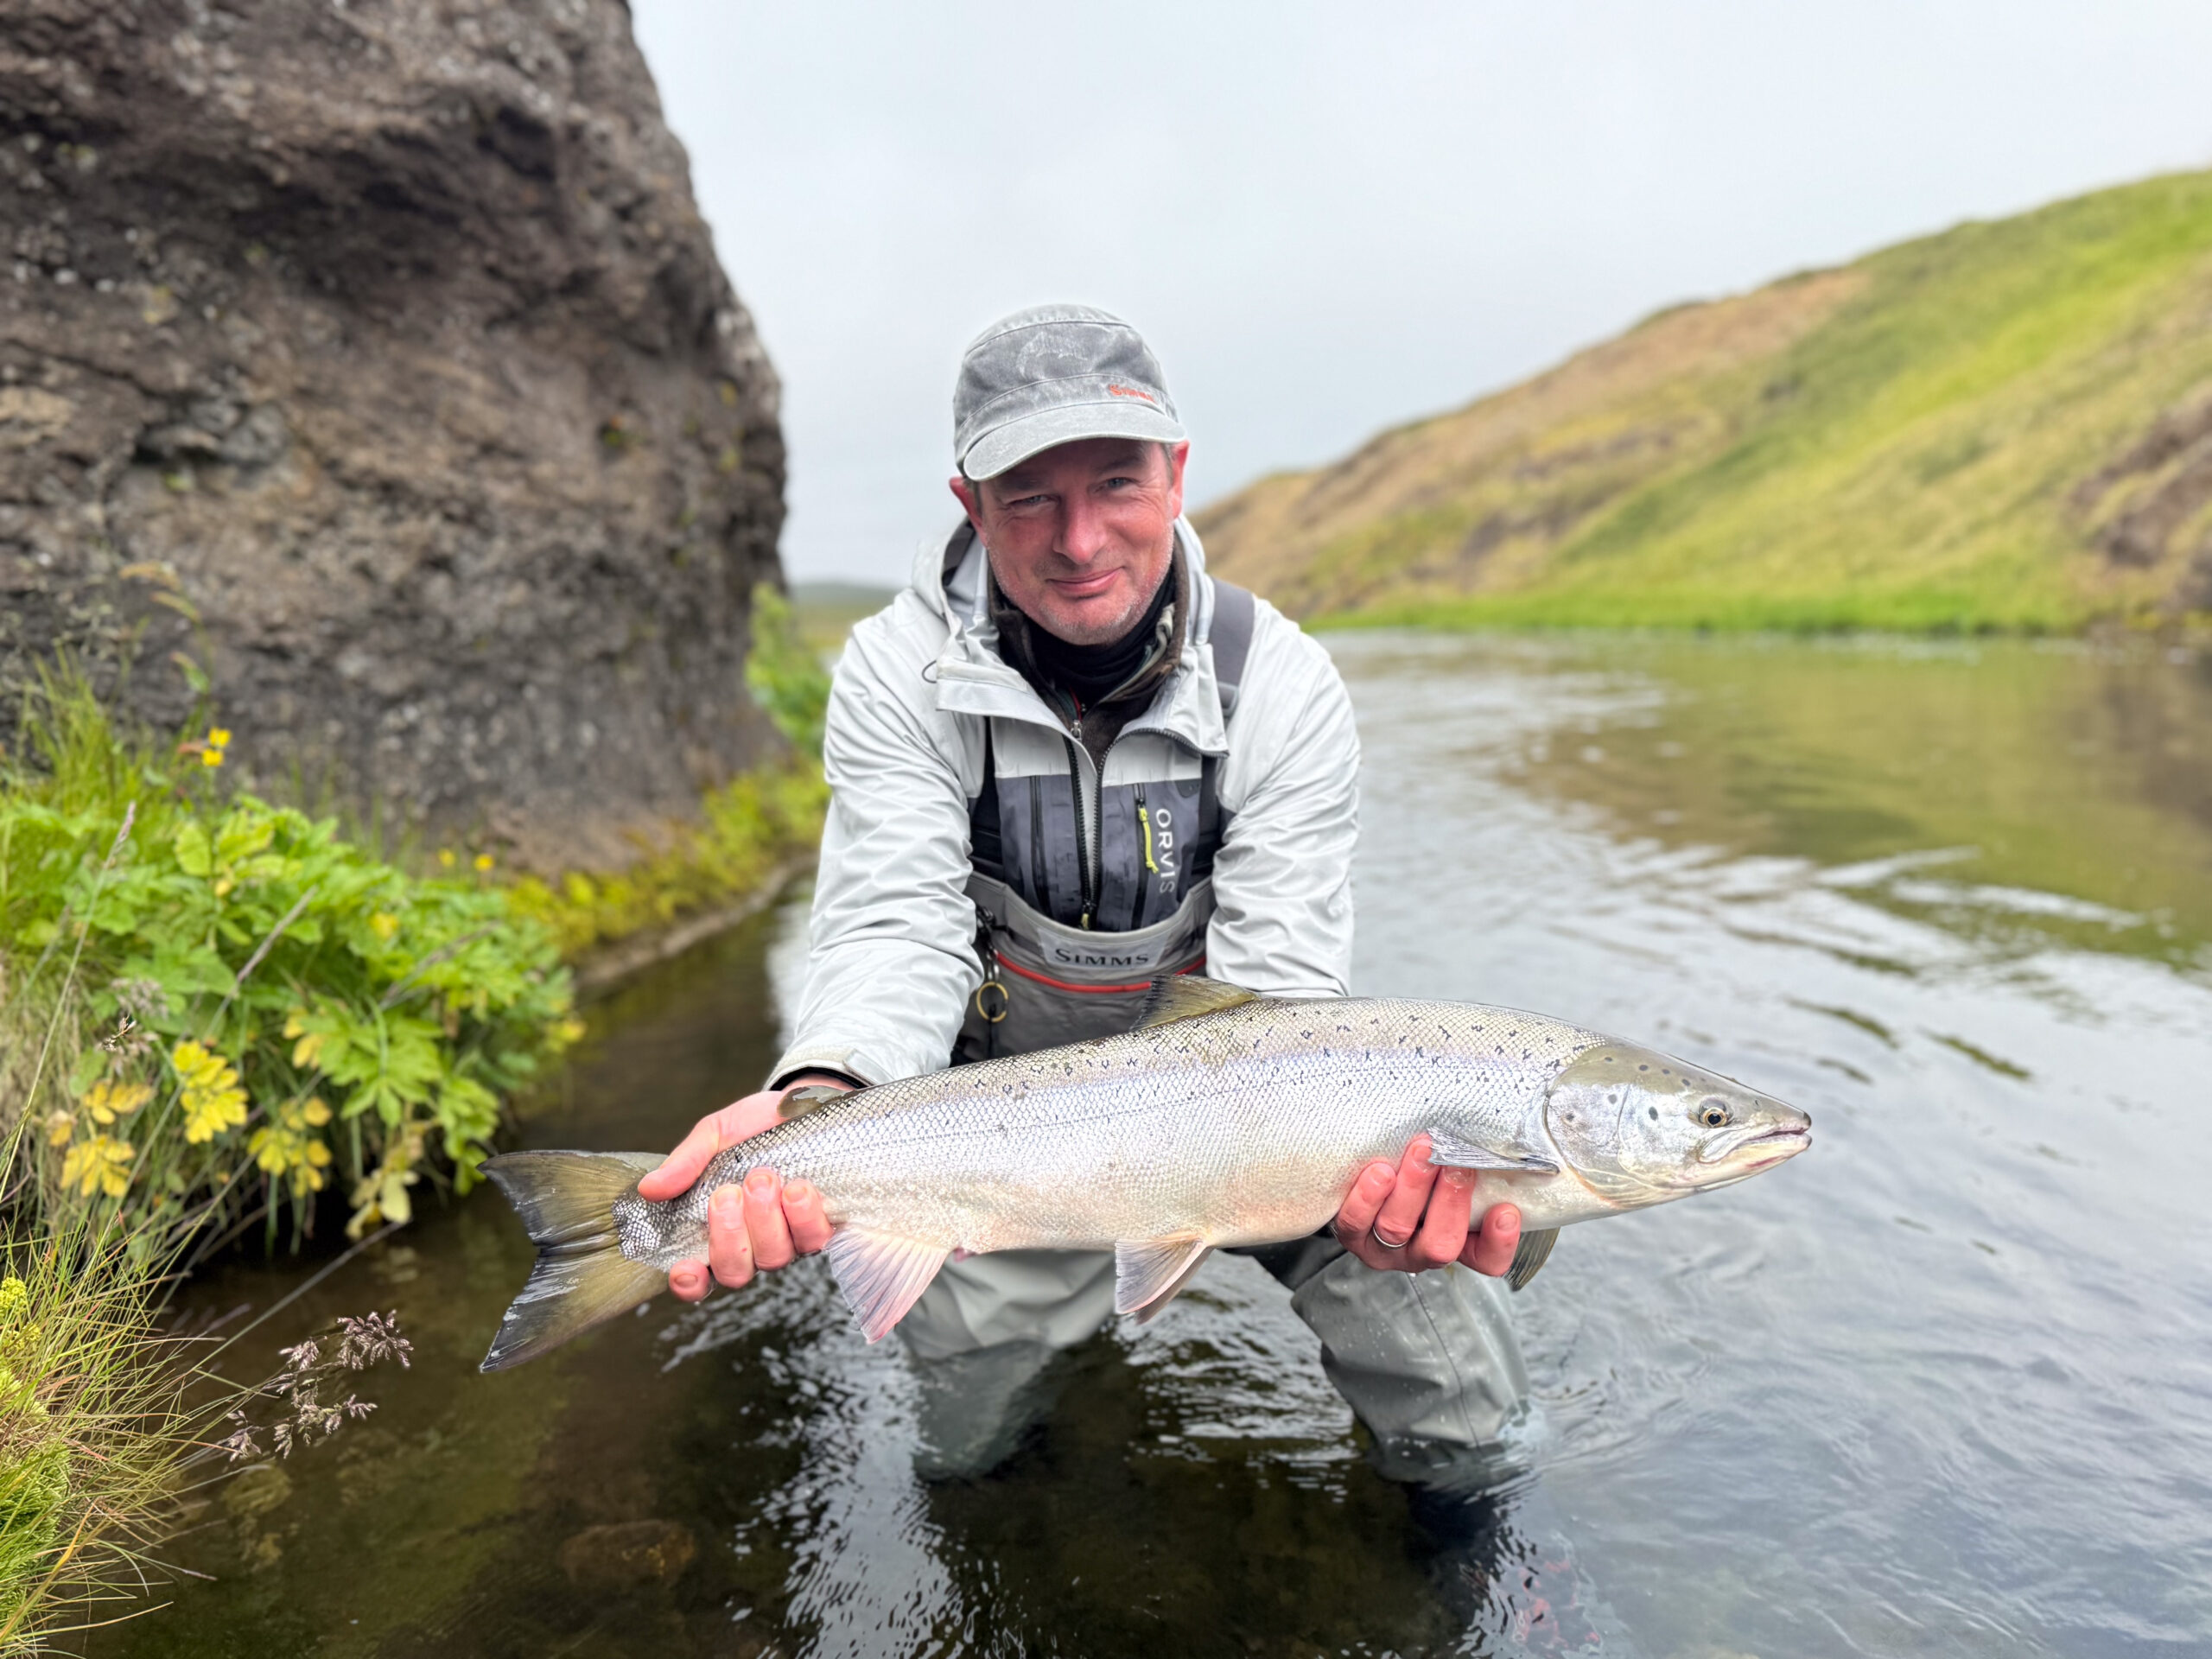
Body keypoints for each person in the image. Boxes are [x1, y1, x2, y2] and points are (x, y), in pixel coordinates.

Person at [639, 304, 1531, 1478]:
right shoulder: (895, 675)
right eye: (1029, 499)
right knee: (969, 1446)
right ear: (969, 504)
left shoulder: (1283, 685)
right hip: (1002, 1140)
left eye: (1116, 482)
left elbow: (1277, 1008)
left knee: (1461, 1399)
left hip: (1259, 1130)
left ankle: (1469, 1548)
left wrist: (1327, 1186)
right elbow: (896, 921)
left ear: (1176, 476)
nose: (1078, 539)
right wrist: (824, 1091)